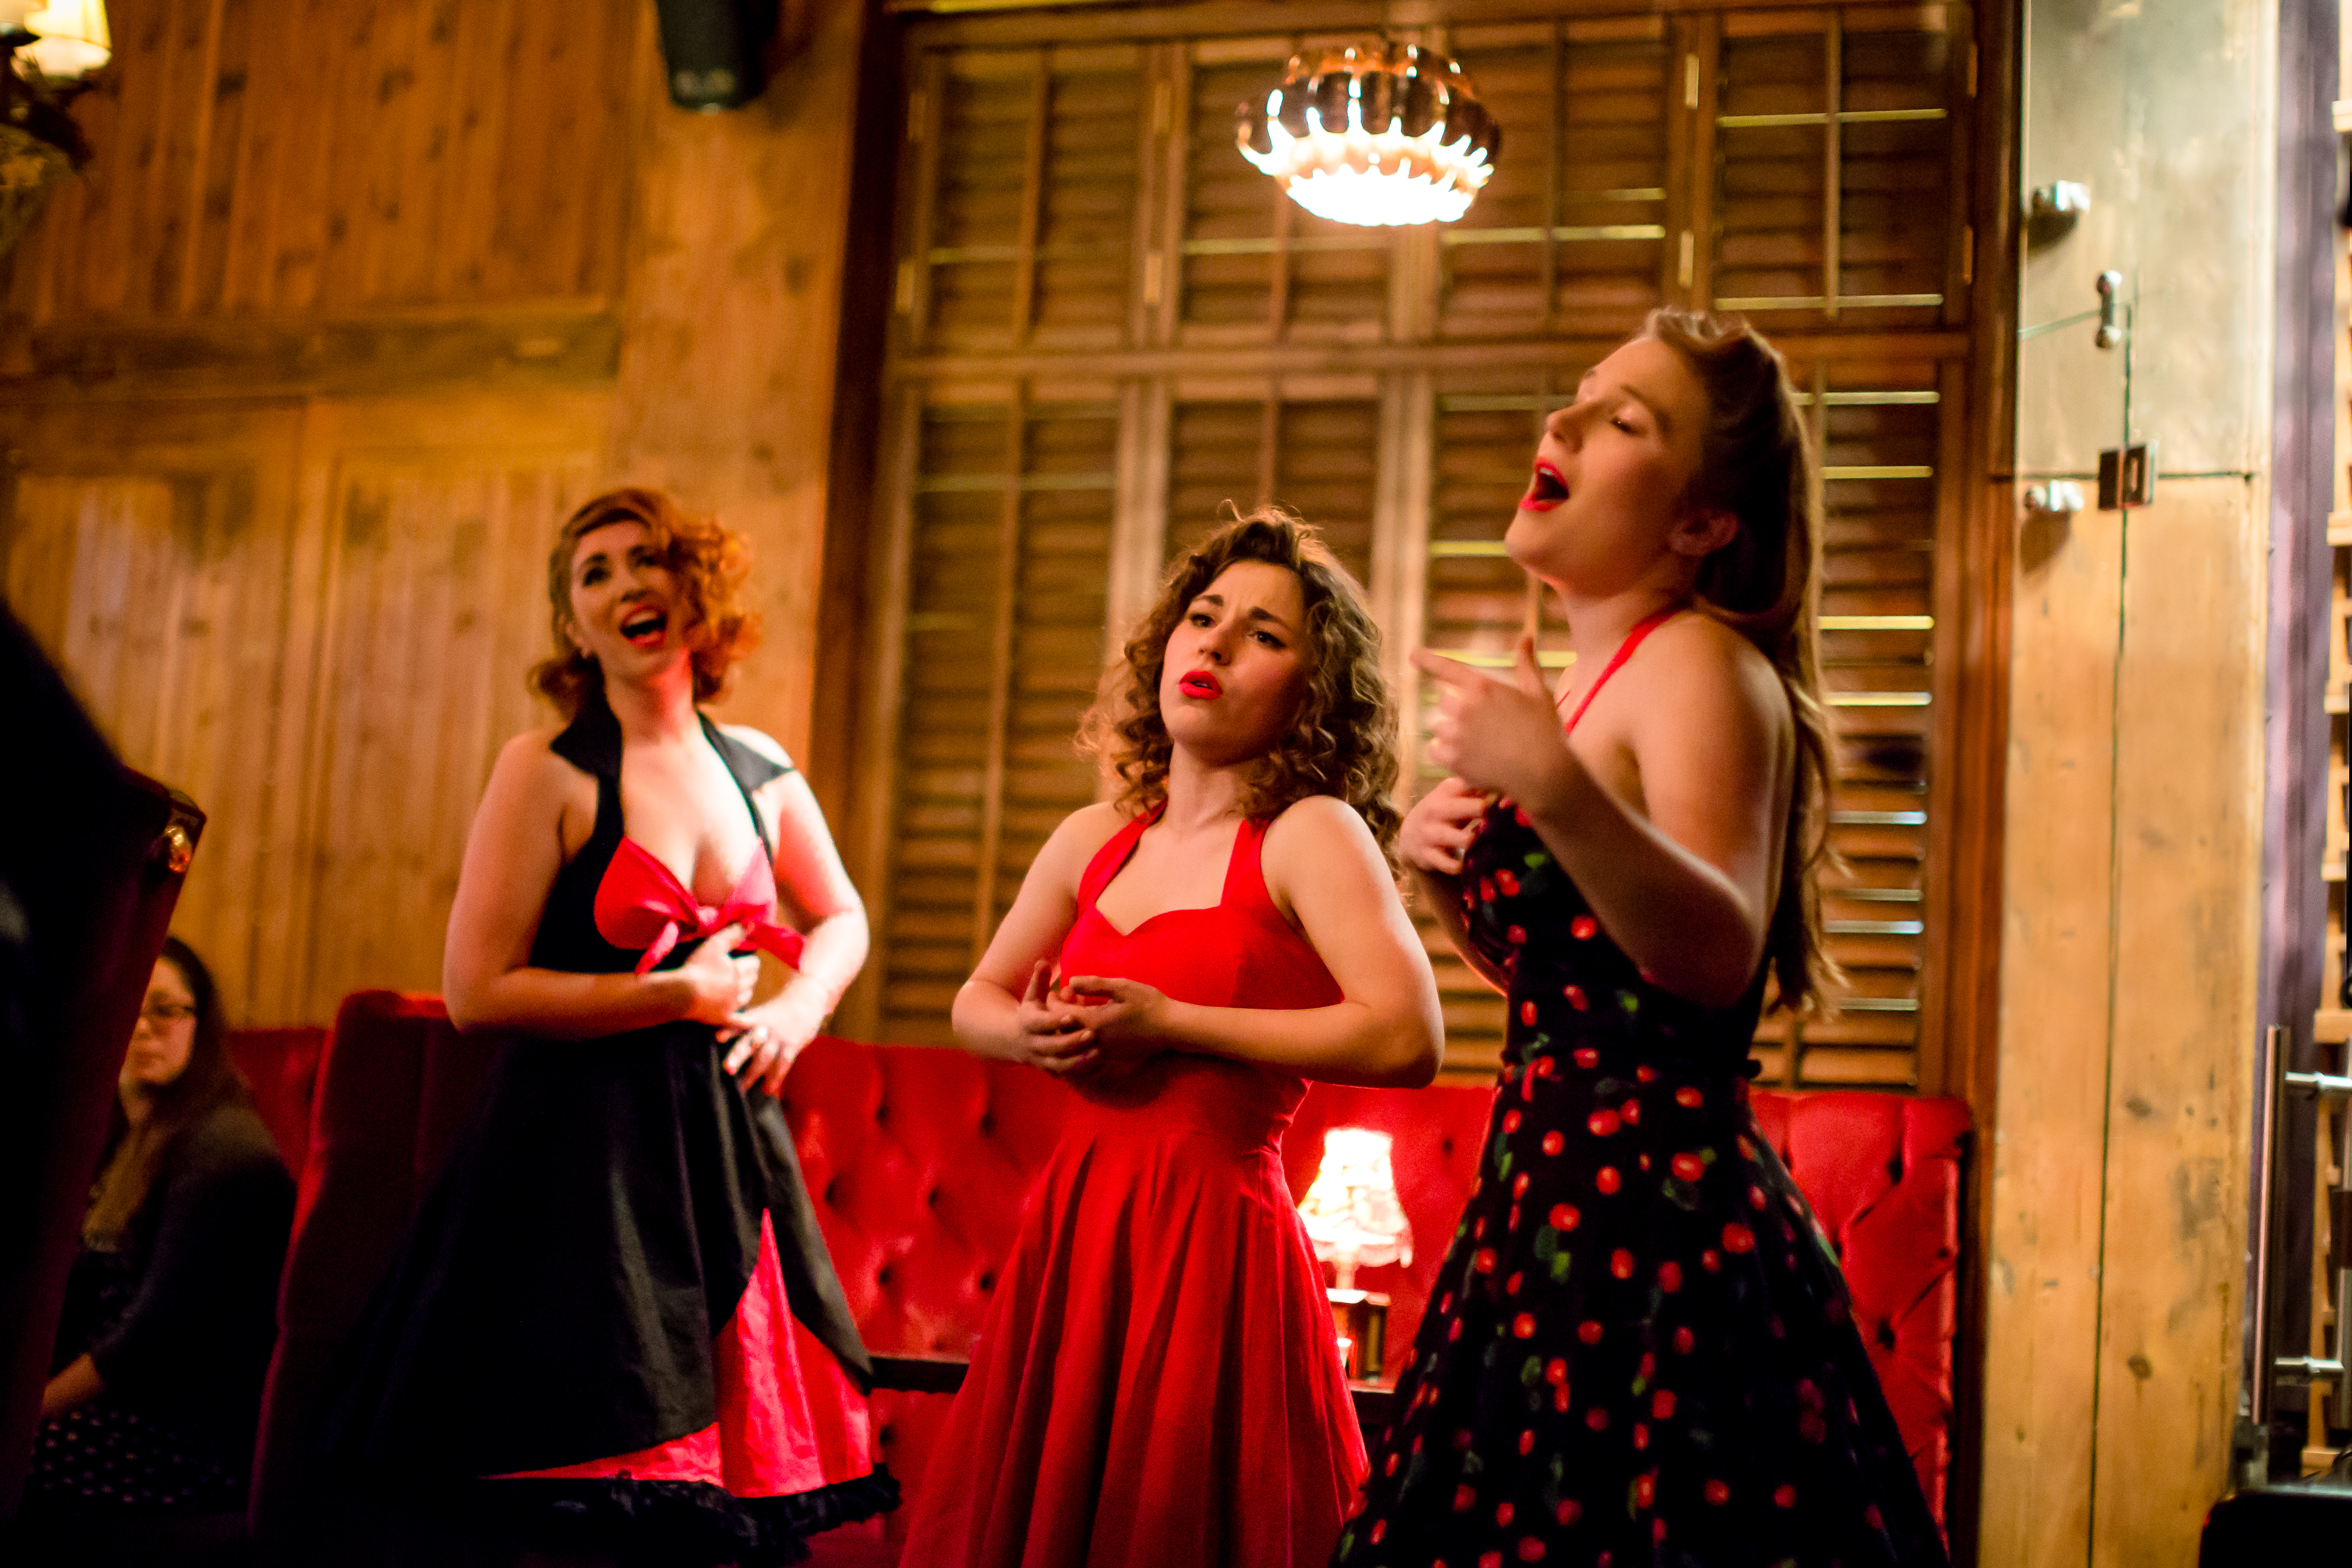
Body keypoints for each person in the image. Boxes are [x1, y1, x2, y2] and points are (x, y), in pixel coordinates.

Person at [1334, 312, 1949, 1567]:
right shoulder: (1588, 683)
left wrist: (1550, 786)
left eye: (1621, 420)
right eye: (1576, 398)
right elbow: (1583, 989)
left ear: (1701, 522)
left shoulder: (1704, 665)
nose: (1559, 425)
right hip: (1539, 1207)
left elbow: (1714, 956)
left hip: (1657, 1239)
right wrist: (1442, 876)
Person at [316, 488, 893, 1564]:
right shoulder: (547, 769)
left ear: (692, 592)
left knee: (728, 1504)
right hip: (576, 1158)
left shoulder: (761, 768)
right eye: (595, 573)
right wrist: (672, 995)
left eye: (648, 560)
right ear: (575, 627)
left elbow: (845, 913)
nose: (628, 583)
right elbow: (478, 988)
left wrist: (800, 1008)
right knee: (593, 1489)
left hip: (726, 1149)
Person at [901, 510, 1446, 1568]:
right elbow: (974, 999)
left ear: (1310, 691)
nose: (1216, 645)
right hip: (1077, 1231)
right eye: (1203, 618)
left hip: (1215, 1244)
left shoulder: (1307, 833)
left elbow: (1406, 1035)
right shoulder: (1095, 837)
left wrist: (1170, 1026)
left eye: (1264, 635)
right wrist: (1036, 1034)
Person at [25, 937, 294, 1521]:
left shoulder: (224, 1151)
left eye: (165, 1009)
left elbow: (151, 1339)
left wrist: (25, 1413)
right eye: (130, 1007)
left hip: (180, 1439)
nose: (144, 1027)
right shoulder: (127, 1131)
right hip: (123, 1409)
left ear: (200, 1022)